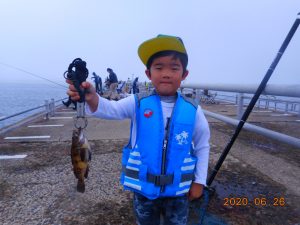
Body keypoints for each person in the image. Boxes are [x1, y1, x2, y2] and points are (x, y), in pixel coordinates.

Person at [66, 34, 210, 225]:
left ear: (184, 75)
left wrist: (199, 181)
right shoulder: (137, 103)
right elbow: (111, 109)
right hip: (143, 190)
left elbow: (202, 145)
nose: (166, 73)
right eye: (159, 68)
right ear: (149, 74)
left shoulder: (194, 110)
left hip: (178, 192)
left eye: (174, 68)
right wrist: (92, 97)